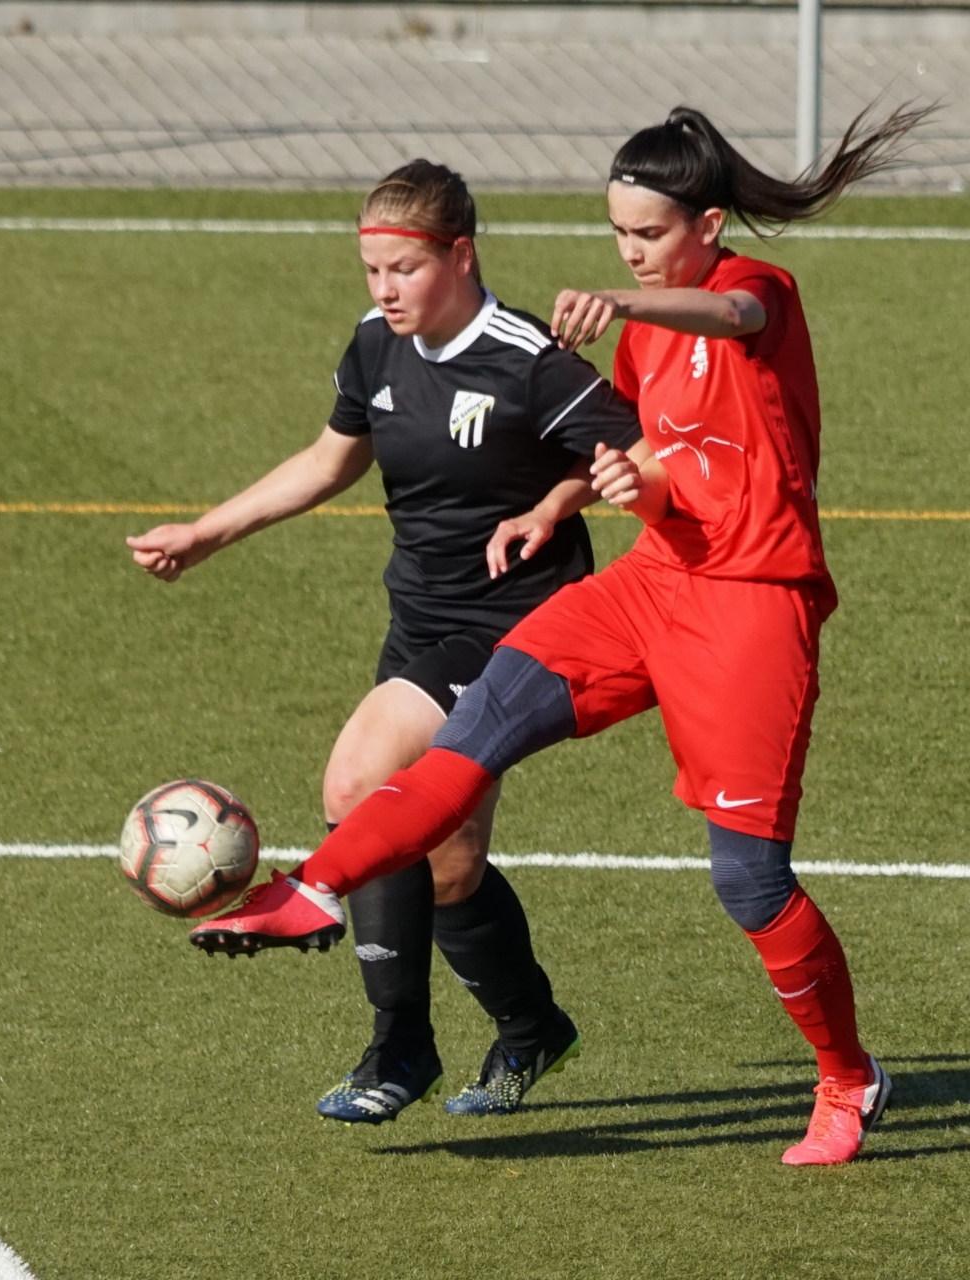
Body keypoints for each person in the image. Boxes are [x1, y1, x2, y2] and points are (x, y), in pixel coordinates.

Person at [188, 105, 930, 1166]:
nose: (630, 252)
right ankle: (312, 889)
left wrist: (628, 301)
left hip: (753, 604)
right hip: (654, 582)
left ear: (708, 225)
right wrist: (563, 500)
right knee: (474, 727)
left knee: (749, 882)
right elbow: (644, 456)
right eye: (618, 235)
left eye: (649, 234)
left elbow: (729, 315)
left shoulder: (758, 293)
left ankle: (850, 1078)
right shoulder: (644, 336)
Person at [130, 160, 644, 1124]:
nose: (385, 289)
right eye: (373, 271)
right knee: (447, 863)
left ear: (462, 255)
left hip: (514, 630)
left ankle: (398, 1048)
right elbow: (331, 459)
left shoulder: (525, 358)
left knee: (360, 782)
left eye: (405, 269)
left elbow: (636, 445)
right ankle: (533, 1029)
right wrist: (206, 533)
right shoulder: (377, 344)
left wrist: (553, 503)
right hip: (418, 622)